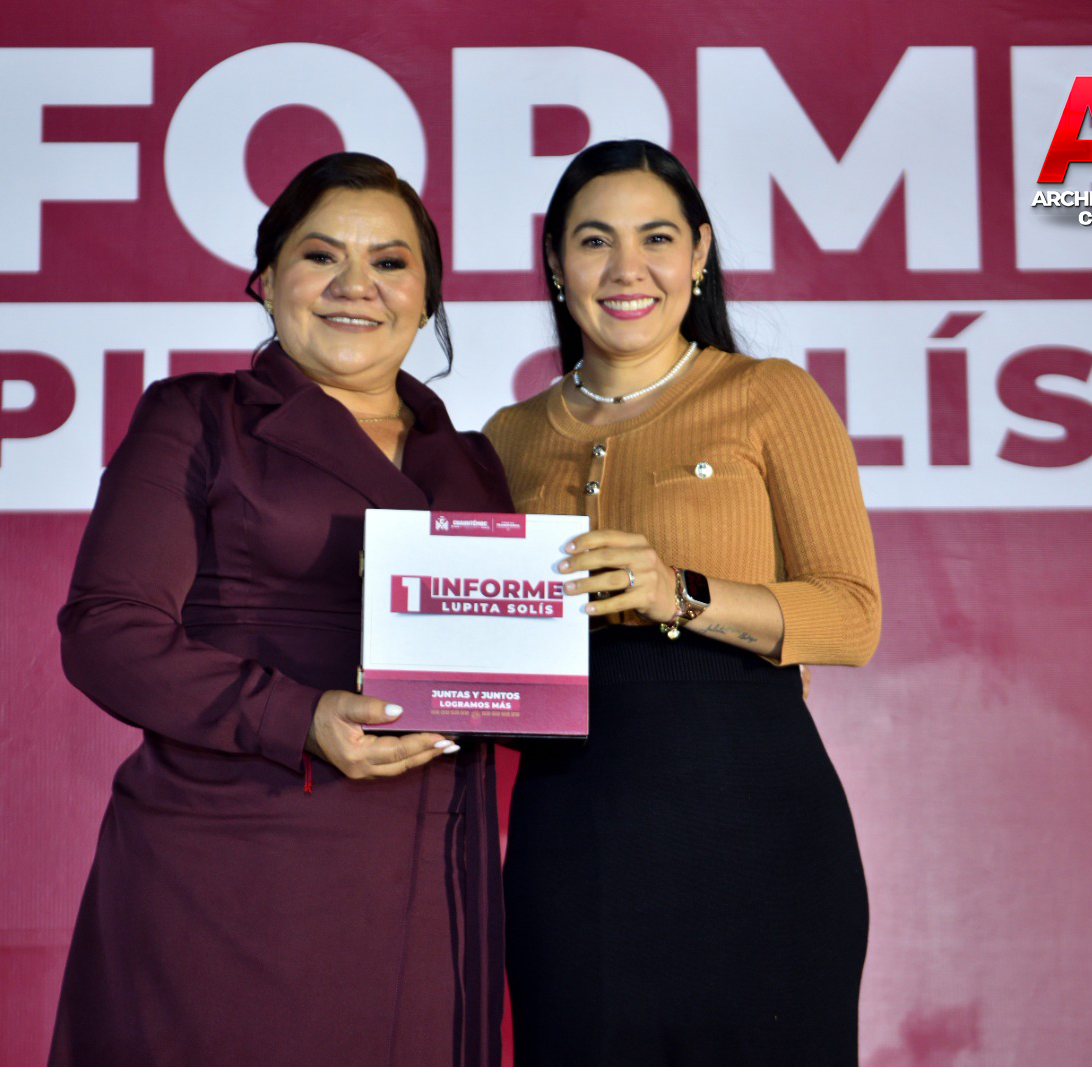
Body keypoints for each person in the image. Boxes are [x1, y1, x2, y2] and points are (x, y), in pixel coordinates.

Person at [48, 153, 510, 1067]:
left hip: (431, 877)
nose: (355, 285)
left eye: (390, 262)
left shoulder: (475, 460)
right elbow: (106, 631)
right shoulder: (196, 415)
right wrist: (296, 717)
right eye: (320, 256)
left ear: (427, 297)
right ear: (266, 280)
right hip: (235, 863)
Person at [483, 139, 881, 1065]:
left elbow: (852, 616)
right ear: (555, 263)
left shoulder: (769, 396)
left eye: (656, 238)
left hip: (753, 820)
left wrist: (678, 592)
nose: (628, 268)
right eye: (595, 241)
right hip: (568, 831)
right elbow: (487, 659)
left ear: (698, 253)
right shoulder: (507, 437)